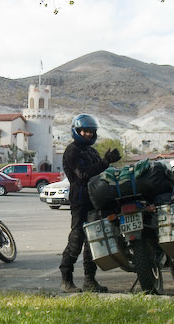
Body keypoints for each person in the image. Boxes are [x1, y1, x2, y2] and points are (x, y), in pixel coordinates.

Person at [59, 114, 121, 293]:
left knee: (93, 240)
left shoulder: (91, 151)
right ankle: (66, 280)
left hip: (96, 199)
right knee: (77, 239)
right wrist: (105, 161)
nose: (87, 134)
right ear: (76, 131)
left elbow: (99, 173)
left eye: (91, 131)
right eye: (84, 131)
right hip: (80, 200)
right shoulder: (72, 151)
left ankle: (90, 281)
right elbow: (84, 175)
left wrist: (109, 166)